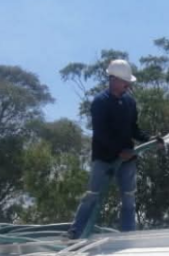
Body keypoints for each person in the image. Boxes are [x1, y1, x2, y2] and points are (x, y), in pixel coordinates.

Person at [68, 59, 162, 237]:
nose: (127, 85)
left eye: (128, 82)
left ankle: (128, 234)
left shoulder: (130, 103)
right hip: (103, 158)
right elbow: (101, 133)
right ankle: (76, 232)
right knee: (93, 195)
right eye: (124, 81)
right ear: (113, 79)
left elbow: (134, 128)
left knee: (128, 197)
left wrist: (150, 139)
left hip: (127, 159)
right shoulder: (100, 102)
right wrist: (120, 152)